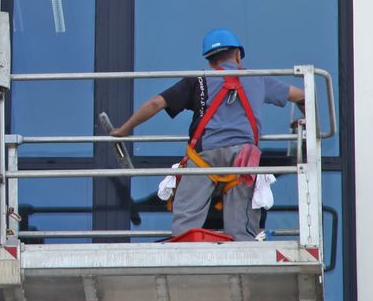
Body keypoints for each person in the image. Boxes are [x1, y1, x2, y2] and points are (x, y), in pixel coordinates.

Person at [108, 27, 304, 241]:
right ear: (238, 55)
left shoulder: (198, 81)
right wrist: (314, 128)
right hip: (244, 160)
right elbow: (302, 97)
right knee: (242, 230)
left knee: (186, 221)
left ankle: (185, 248)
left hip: (205, 159)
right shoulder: (259, 79)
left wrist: (123, 130)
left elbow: (156, 103)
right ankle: (242, 250)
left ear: (210, 62)